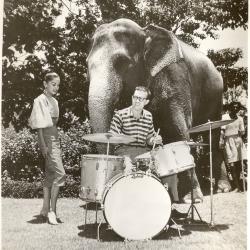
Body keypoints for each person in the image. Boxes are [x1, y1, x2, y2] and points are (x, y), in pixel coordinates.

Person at [109, 86, 186, 218]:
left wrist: (155, 139)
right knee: (128, 168)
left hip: (144, 151)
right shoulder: (120, 115)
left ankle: (169, 206)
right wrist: (122, 139)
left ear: (146, 102)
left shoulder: (148, 116)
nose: (137, 101)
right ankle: (125, 210)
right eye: (135, 97)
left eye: (140, 98)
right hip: (124, 151)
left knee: (168, 166)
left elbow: (149, 139)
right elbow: (112, 136)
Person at [29, 72, 66, 225]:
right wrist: (43, 146)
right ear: (45, 84)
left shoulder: (55, 102)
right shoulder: (39, 101)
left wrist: (56, 142)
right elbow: (39, 128)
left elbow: (54, 123)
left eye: (58, 85)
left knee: (50, 174)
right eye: (53, 84)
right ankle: (52, 211)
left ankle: (45, 209)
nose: (56, 87)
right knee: (60, 173)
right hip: (46, 140)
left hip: (55, 138)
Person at [220, 102, 247, 192]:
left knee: (239, 163)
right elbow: (222, 130)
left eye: (237, 107)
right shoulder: (225, 117)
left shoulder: (240, 118)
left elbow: (242, 132)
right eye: (234, 107)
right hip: (228, 141)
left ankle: (240, 185)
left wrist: (241, 131)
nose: (235, 109)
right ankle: (236, 186)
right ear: (230, 108)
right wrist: (221, 140)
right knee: (231, 164)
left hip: (238, 141)